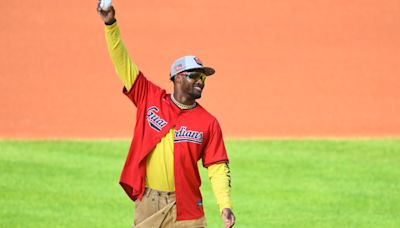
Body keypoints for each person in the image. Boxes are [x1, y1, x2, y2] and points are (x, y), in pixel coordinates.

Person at [97, 3, 235, 228]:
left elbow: (217, 166)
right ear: (178, 77)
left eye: (203, 78)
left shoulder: (208, 122)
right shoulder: (149, 97)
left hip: (188, 206)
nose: (201, 81)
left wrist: (225, 205)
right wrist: (110, 25)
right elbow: (122, 63)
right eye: (195, 76)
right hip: (150, 202)